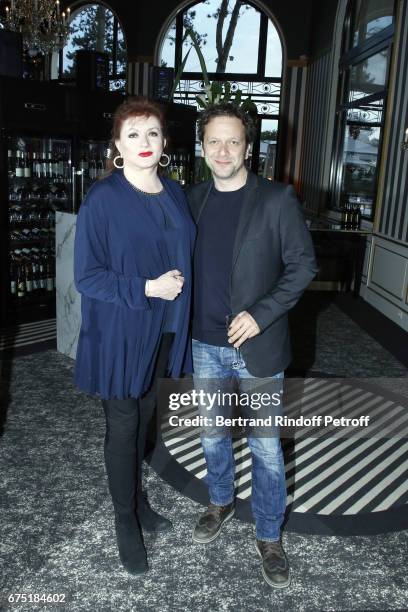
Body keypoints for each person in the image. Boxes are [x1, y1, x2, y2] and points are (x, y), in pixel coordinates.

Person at [187, 103, 317, 588]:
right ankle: (220, 499)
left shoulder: (277, 199)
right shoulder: (191, 198)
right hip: (203, 342)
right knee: (211, 434)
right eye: (214, 142)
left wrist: (260, 314)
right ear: (202, 148)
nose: (223, 151)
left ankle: (268, 534)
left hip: (256, 347)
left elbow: (303, 266)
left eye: (233, 141)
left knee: (265, 448)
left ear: (248, 148)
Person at [74, 97, 195, 575]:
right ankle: (126, 520)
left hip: (164, 328)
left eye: (152, 134)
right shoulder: (102, 198)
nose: (144, 143)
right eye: (133, 135)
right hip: (121, 330)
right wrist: (148, 286)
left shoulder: (176, 193)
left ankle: (138, 499)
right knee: (123, 427)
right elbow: (87, 276)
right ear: (117, 146)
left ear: (164, 143)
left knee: (145, 419)